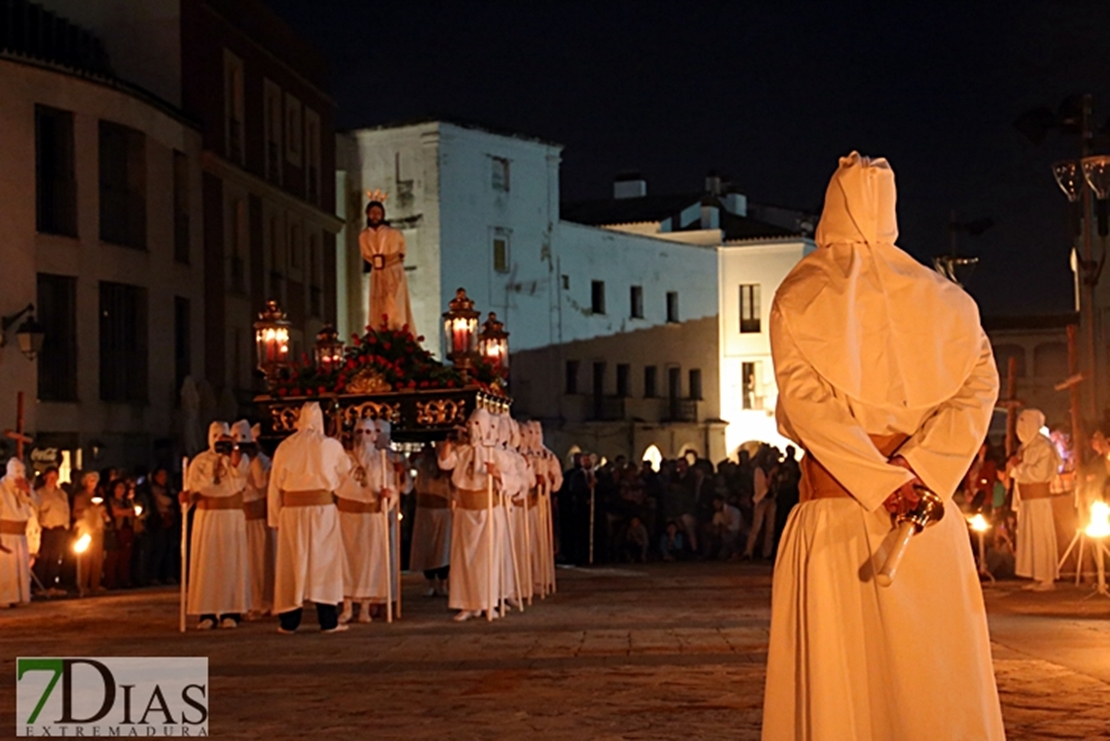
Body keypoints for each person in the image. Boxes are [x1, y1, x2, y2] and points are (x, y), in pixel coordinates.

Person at [762, 152, 1005, 740]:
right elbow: (980, 388)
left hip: (838, 515)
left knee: (842, 679)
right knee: (931, 678)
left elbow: (805, 405)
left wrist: (879, 483)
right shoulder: (950, 301)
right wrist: (918, 470)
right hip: (925, 516)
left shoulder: (800, 292)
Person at [267, 402, 351, 634]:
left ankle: (289, 620)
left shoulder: (285, 447)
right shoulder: (330, 445)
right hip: (321, 512)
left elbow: (274, 485)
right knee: (323, 561)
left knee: (292, 562)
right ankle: (327, 619)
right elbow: (345, 471)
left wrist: (274, 518)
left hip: (292, 513)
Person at [183, 422, 251, 629]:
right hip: (207, 517)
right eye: (216, 436)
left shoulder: (237, 457)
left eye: (223, 436)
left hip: (231, 516)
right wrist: (187, 497)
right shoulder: (200, 461)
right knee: (207, 564)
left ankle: (231, 611)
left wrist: (233, 449)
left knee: (230, 562)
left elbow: (240, 473)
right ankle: (207, 613)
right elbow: (192, 487)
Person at [439, 408, 503, 622]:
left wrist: (498, 474)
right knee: (464, 558)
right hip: (465, 510)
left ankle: (487, 603)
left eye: (477, 424)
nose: (472, 429)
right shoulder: (463, 451)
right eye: (470, 424)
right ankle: (467, 603)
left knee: (486, 559)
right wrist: (448, 443)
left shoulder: (495, 452)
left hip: (487, 511)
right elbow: (446, 463)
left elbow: (514, 479)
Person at [336, 418, 393, 624]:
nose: (363, 437)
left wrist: (388, 495)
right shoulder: (344, 459)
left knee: (369, 562)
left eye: (368, 432)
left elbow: (391, 488)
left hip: (370, 517)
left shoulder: (381, 460)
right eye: (359, 432)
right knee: (346, 562)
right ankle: (347, 606)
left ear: (375, 436)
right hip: (347, 517)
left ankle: (366, 607)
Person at [1007, 409, 1061, 591]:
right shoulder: (1025, 447)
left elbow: (1040, 473)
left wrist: (1017, 470)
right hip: (1027, 499)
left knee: (1040, 537)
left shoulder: (1043, 446)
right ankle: (1036, 575)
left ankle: (1046, 577)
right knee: (1029, 538)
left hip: (1039, 500)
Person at [232, 421, 275, 618]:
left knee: (259, 562)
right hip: (239, 520)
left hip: (257, 520)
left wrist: (254, 462)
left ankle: (262, 600)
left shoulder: (261, 461)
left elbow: (261, 484)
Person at [359, 198, 415, 332]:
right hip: (377, 274)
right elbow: (366, 254)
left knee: (395, 305)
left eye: (378, 212)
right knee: (378, 305)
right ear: (367, 214)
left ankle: (397, 330)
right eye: (372, 212)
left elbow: (401, 252)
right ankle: (379, 332)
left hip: (393, 273)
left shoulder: (394, 233)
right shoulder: (364, 236)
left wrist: (390, 261)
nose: (375, 216)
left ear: (383, 214)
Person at [410, 442, 452, 598]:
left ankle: (443, 582)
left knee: (443, 548)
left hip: (443, 509)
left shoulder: (449, 461)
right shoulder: (425, 460)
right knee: (426, 547)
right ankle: (429, 582)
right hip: (425, 509)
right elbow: (410, 465)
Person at [0, 459, 36, 607]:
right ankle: (4, 598)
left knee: (20, 567)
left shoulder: (24, 487)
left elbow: (37, 503)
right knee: (6, 567)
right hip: (5, 534)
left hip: (21, 535)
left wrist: (28, 491)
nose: (19, 477)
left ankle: (20, 596)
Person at [34, 466, 69, 595]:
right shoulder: (39, 493)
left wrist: (66, 525)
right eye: (49, 477)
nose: (51, 480)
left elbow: (66, 510)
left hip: (59, 529)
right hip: (46, 529)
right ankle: (40, 586)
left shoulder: (62, 494)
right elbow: (35, 511)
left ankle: (51, 585)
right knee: (44, 558)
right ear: (45, 478)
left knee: (55, 558)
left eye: (54, 477)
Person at [72, 471, 107, 596]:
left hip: (97, 529)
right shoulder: (80, 497)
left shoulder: (100, 496)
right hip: (85, 529)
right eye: (90, 480)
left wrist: (103, 514)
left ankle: (95, 585)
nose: (93, 483)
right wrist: (88, 508)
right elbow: (75, 513)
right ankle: (82, 586)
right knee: (85, 558)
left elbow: (104, 514)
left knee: (97, 559)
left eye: (95, 480)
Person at [743, 448, 777, 560]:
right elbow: (763, 487)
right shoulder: (759, 470)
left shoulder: (768, 469)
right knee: (756, 527)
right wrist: (771, 475)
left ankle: (767, 552)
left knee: (770, 529)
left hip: (771, 500)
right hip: (761, 500)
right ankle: (748, 551)